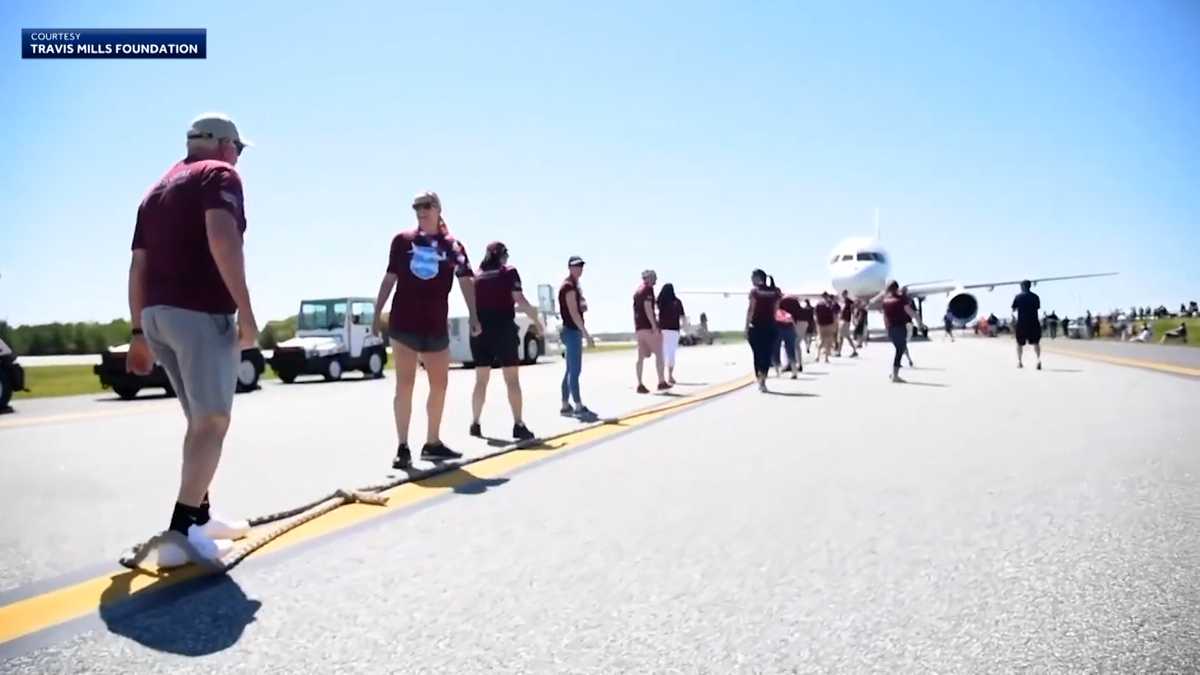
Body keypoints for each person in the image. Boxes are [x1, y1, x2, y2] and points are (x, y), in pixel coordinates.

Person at [126, 113, 258, 567]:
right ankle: (183, 534)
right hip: (200, 313)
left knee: (198, 421)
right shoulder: (219, 175)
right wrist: (246, 311)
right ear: (224, 144)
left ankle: (200, 517)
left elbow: (138, 266)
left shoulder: (156, 190)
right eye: (238, 148)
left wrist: (138, 332)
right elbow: (224, 239)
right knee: (212, 422)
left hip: (158, 316)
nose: (238, 157)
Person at [373, 191, 478, 469]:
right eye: (417, 207)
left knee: (440, 384)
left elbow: (467, 280)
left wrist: (474, 315)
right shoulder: (403, 241)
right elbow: (389, 279)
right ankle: (403, 446)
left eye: (426, 206)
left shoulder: (452, 246)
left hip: (434, 326)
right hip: (403, 323)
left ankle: (432, 443)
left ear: (439, 209)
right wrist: (376, 313)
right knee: (404, 385)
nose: (421, 211)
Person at [468, 242, 540, 442]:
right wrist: (537, 321)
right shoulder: (509, 272)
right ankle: (518, 424)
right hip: (503, 330)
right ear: (502, 256)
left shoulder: (476, 276)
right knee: (512, 380)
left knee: (481, 380)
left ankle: (475, 422)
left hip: (479, 332)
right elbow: (520, 300)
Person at [558, 256, 595, 417]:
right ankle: (578, 405)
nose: (580, 268)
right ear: (570, 267)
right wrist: (586, 334)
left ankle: (565, 404)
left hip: (570, 330)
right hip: (572, 331)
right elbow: (573, 312)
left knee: (569, 370)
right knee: (575, 370)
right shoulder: (569, 287)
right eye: (576, 266)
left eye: (581, 266)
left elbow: (577, 308)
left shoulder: (574, 286)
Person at [633, 270, 670, 393]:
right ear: (648, 278)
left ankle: (639, 383)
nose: (656, 280)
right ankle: (661, 381)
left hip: (639, 328)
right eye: (654, 277)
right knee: (659, 354)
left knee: (640, 357)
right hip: (648, 328)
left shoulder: (637, 291)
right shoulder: (648, 290)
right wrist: (654, 325)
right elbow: (648, 308)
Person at [746, 270, 782, 392]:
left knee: (757, 354)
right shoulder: (775, 292)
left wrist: (746, 326)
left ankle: (759, 378)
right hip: (770, 326)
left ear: (757, 278)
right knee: (767, 354)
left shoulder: (755, 291)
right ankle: (763, 380)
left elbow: (751, 309)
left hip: (756, 327)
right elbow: (776, 310)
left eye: (752, 277)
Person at [881, 281, 915, 383]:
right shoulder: (901, 299)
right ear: (897, 288)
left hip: (891, 328)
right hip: (900, 327)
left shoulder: (885, 300)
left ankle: (894, 373)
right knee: (900, 350)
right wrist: (919, 322)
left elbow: (885, 318)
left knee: (900, 349)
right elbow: (910, 312)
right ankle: (895, 376)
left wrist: (887, 330)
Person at [657, 283, 685, 385]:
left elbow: (655, 313)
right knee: (671, 353)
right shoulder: (677, 302)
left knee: (663, 354)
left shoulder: (660, 301)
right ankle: (670, 376)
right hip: (674, 330)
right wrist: (683, 327)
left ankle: (661, 377)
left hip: (662, 330)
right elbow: (682, 317)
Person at [1011, 280, 1043, 370]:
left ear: (1022, 286)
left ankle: (1020, 361)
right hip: (1034, 322)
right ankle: (1038, 360)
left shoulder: (1018, 297)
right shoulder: (1035, 297)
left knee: (1019, 343)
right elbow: (1037, 307)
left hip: (1022, 323)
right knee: (1036, 342)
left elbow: (1013, 309)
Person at [778, 293, 806, 376]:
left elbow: (788, 316)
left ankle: (793, 365)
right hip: (803, 321)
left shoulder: (781, 302)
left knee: (792, 344)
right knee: (794, 344)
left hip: (796, 322)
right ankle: (795, 364)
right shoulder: (789, 299)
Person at [814, 293, 837, 363]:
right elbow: (833, 315)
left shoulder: (818, 304)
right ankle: (826, 358)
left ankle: (817, 356)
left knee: (822, 340)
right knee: (828, 341)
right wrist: (834, 325)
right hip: (829, 324)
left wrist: (817, 323)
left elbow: (815, 315)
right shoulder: (830, 304)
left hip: (821, 324)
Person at [836, 291, 860, 358]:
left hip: (845, 321)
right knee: (845, 337)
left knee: (843, 337)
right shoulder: (844, 302)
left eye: (844, 294)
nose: (843, 295)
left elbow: (854, 306)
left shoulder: (848, 301)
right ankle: (840, 351)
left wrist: (853, 318)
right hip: (844, 320)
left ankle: (840, 352)